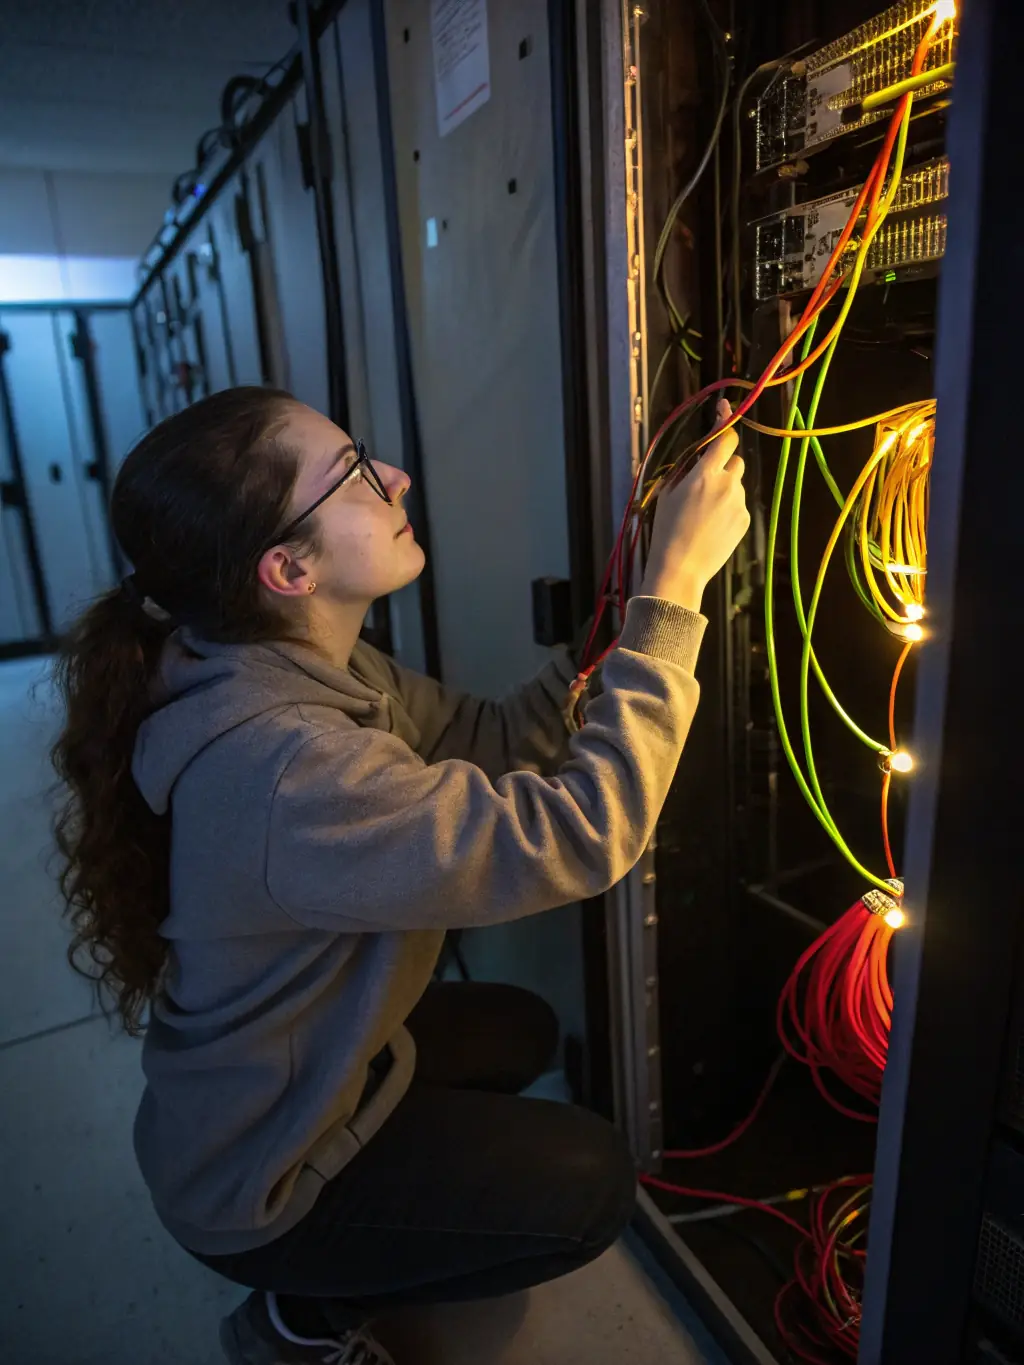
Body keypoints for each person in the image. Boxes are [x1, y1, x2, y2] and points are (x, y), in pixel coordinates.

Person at [51, 386, 746, 1365]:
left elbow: (492, 738)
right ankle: (300, 1316)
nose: (396, 478)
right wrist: (673, 602)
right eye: (352, 474)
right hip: (257, 1177)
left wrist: (619, 625)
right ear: (286, 567)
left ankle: (367, 1207)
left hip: (260, 1092)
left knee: (521, 1030)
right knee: (593, 1184)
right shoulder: (285, 766)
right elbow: (583, 836)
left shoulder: (286, 661)